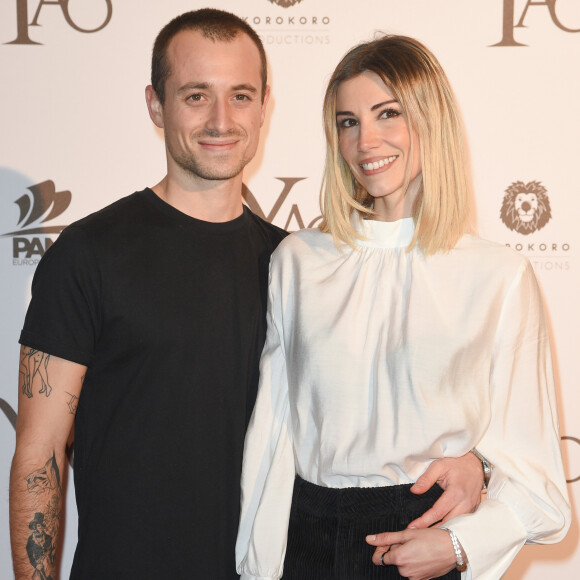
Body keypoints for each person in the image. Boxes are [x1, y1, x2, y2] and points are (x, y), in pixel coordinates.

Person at [9, 11, 484, 580]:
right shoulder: (88, 254)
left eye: (239, 95)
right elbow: (39, 455)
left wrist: (479, 463)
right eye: (194, 96)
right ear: (155, 106)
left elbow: (366, 421)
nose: (220, 119)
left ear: (264, 106)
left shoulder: (301, 266)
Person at [235, 35, 571, 580]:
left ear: (429, 120)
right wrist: (256, 568)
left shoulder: (498, 276)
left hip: (422, 542)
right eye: (348, 122)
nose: (367, 140)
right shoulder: (298, 262)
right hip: (307, 542)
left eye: (387, 114)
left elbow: (541, 486)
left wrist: (460, 545)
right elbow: (271, 442)